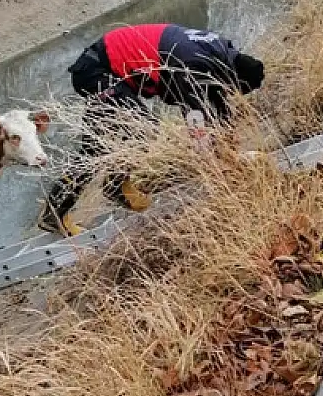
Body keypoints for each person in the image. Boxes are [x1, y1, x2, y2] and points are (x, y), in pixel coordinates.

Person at [36, 23, 265, 237]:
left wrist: (229, 146)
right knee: (138, 132)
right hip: (97, 72)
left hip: (106, 70)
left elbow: (216, 102)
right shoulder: (194, 63)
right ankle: (58, 212)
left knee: (99, 147)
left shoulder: (222, 51)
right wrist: (209, 167)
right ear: (232, 77)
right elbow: (196, 117)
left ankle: (114, 188)